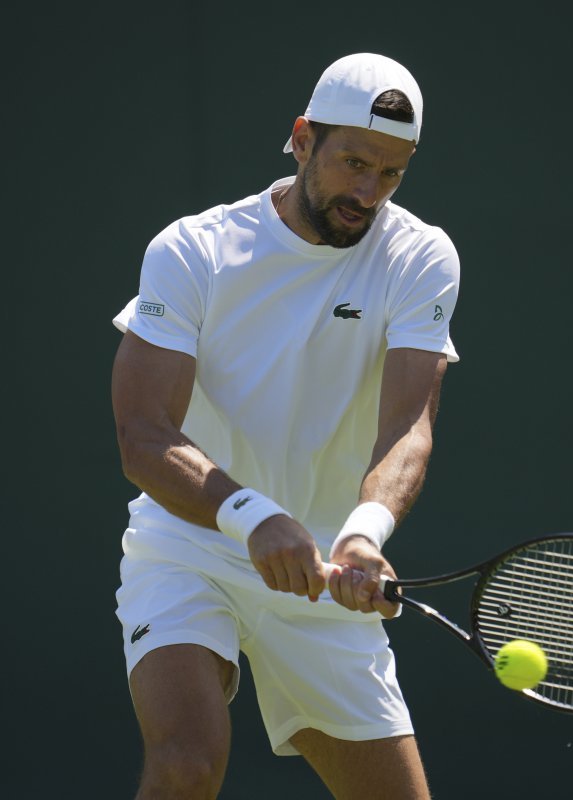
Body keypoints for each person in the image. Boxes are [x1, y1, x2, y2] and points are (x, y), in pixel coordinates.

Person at [110, 52, 460, 799]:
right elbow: (144, 435)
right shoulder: (193, 249)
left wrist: (364, 532)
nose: (368, 192)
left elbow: (409, 428)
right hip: (191, 545)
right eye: (353, 163)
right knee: (187, 761)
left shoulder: (420, 257)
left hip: (326, 571)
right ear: (302, 140)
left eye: (391, 173)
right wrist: (252, 517)